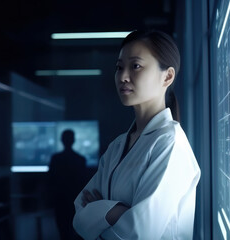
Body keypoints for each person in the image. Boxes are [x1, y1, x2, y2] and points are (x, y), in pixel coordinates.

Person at [72, 30, 201, 239]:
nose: (123, 76)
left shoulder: (171, 143)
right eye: (119, 67)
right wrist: (118, 212)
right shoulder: (117, 146)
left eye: (136, 66)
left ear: (167, 76)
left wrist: (100, 210)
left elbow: (141, 233)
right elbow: (79, 217)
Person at [49, 129, 86, 240]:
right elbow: (83, 182)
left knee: (63, 231)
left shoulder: (55, 159)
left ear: (62, 140)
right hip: (75, 200)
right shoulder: (80, 159)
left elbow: (50, 181)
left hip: (59, 200)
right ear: (73, 140)